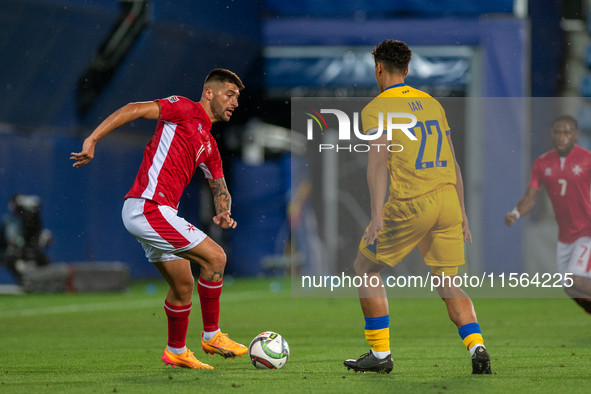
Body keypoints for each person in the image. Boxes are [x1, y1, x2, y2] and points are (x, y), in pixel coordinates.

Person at [71, 68, 247, 370]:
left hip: (158, 213)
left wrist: (223, 210)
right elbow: (133, 109)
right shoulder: (183, 109)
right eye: (229, 94)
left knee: (182, 285)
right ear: (209, 93)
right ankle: (212, 334)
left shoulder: (210, 145)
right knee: (216, 259)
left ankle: (176, 350)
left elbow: (220, 186)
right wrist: (93, 138)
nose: (235, 102)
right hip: (148, 207)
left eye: (238, 98)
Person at [343, 40, 491, 375]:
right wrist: (463, 211)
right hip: (448, 201)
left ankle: (380, 355)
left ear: (378, 68)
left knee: (364, 269)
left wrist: (378, 214)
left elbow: (379, 164)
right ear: (407, 70)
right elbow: (453, 163)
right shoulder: (432, 104)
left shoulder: (377, 108)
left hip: (413, 202)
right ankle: (477, 346)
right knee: (447, 282)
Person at [505, 115, 591, 314]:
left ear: (575, 135)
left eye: (566, 132)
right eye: (558, 132)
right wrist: (516, 213)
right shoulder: (542, 164)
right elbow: (529, 197)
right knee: (571, 288)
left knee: (576, 280)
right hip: (565, 236)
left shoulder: (587, 160)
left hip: (586, 231)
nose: (561, 136)